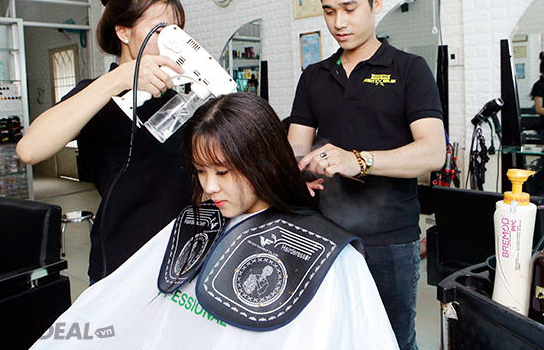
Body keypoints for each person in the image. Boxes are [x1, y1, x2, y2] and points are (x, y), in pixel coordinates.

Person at [32, 93, 399, 349]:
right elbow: (115, 306)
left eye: (222, 171)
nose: (209, 187)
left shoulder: (329, 255)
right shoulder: (197, 223)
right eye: (200, 171)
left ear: (263, 162)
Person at [287, 0, 445, 350]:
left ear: (375, 4)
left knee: (392, 341)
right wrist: (296, 175)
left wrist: (357, 160)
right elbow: (295, 150)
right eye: (328, 11)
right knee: (334, 339)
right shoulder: (314, 77)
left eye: (349, 8)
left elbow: (433, 153)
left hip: (391, 240)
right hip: (326, 235)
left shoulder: (409, 70)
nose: (338, 22)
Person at [17, 0, 191, 282]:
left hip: (182, 252)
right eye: (160, 29)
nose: (170, 39)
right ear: (123, 32)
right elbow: (29, 150)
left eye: (176, 30)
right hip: (123, 256)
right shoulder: (96, 95)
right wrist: (118, 79)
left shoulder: (179, 99)